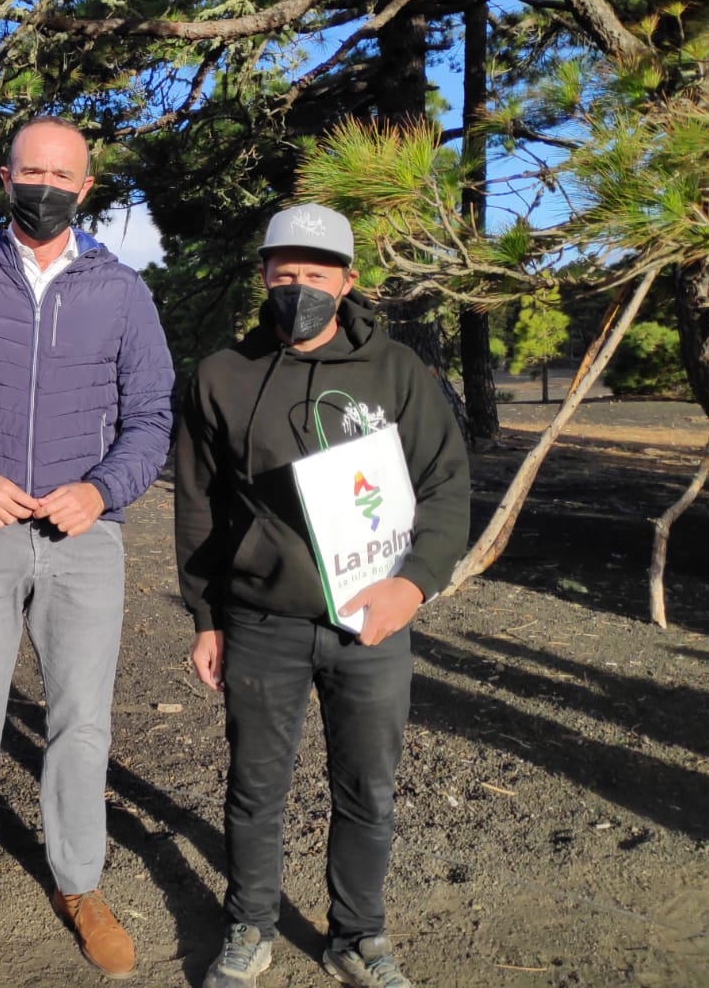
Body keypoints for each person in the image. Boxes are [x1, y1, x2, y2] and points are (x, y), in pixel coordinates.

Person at [0, 116, 175, 983]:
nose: (47, 186)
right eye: (33, 171)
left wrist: (102, 490)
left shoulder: (121, 290)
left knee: (81, 723)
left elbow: (152, 416)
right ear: (5, 176)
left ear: (86, 188)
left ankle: (79, 882)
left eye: (64, 174)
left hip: (83, 537)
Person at [175, 204, 471, 988]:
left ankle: (357, 935)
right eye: (283, 272)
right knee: (255, 788)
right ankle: (249, 925)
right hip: (262, 621)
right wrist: (205, 616)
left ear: (348, 281)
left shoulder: (398, 373)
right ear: (263, 275)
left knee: (368, 789)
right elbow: (199, 504)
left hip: (371, 623)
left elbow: (445, 486)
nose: (298, 287)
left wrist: (414, 584)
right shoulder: (220, 376)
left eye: (316, 273)